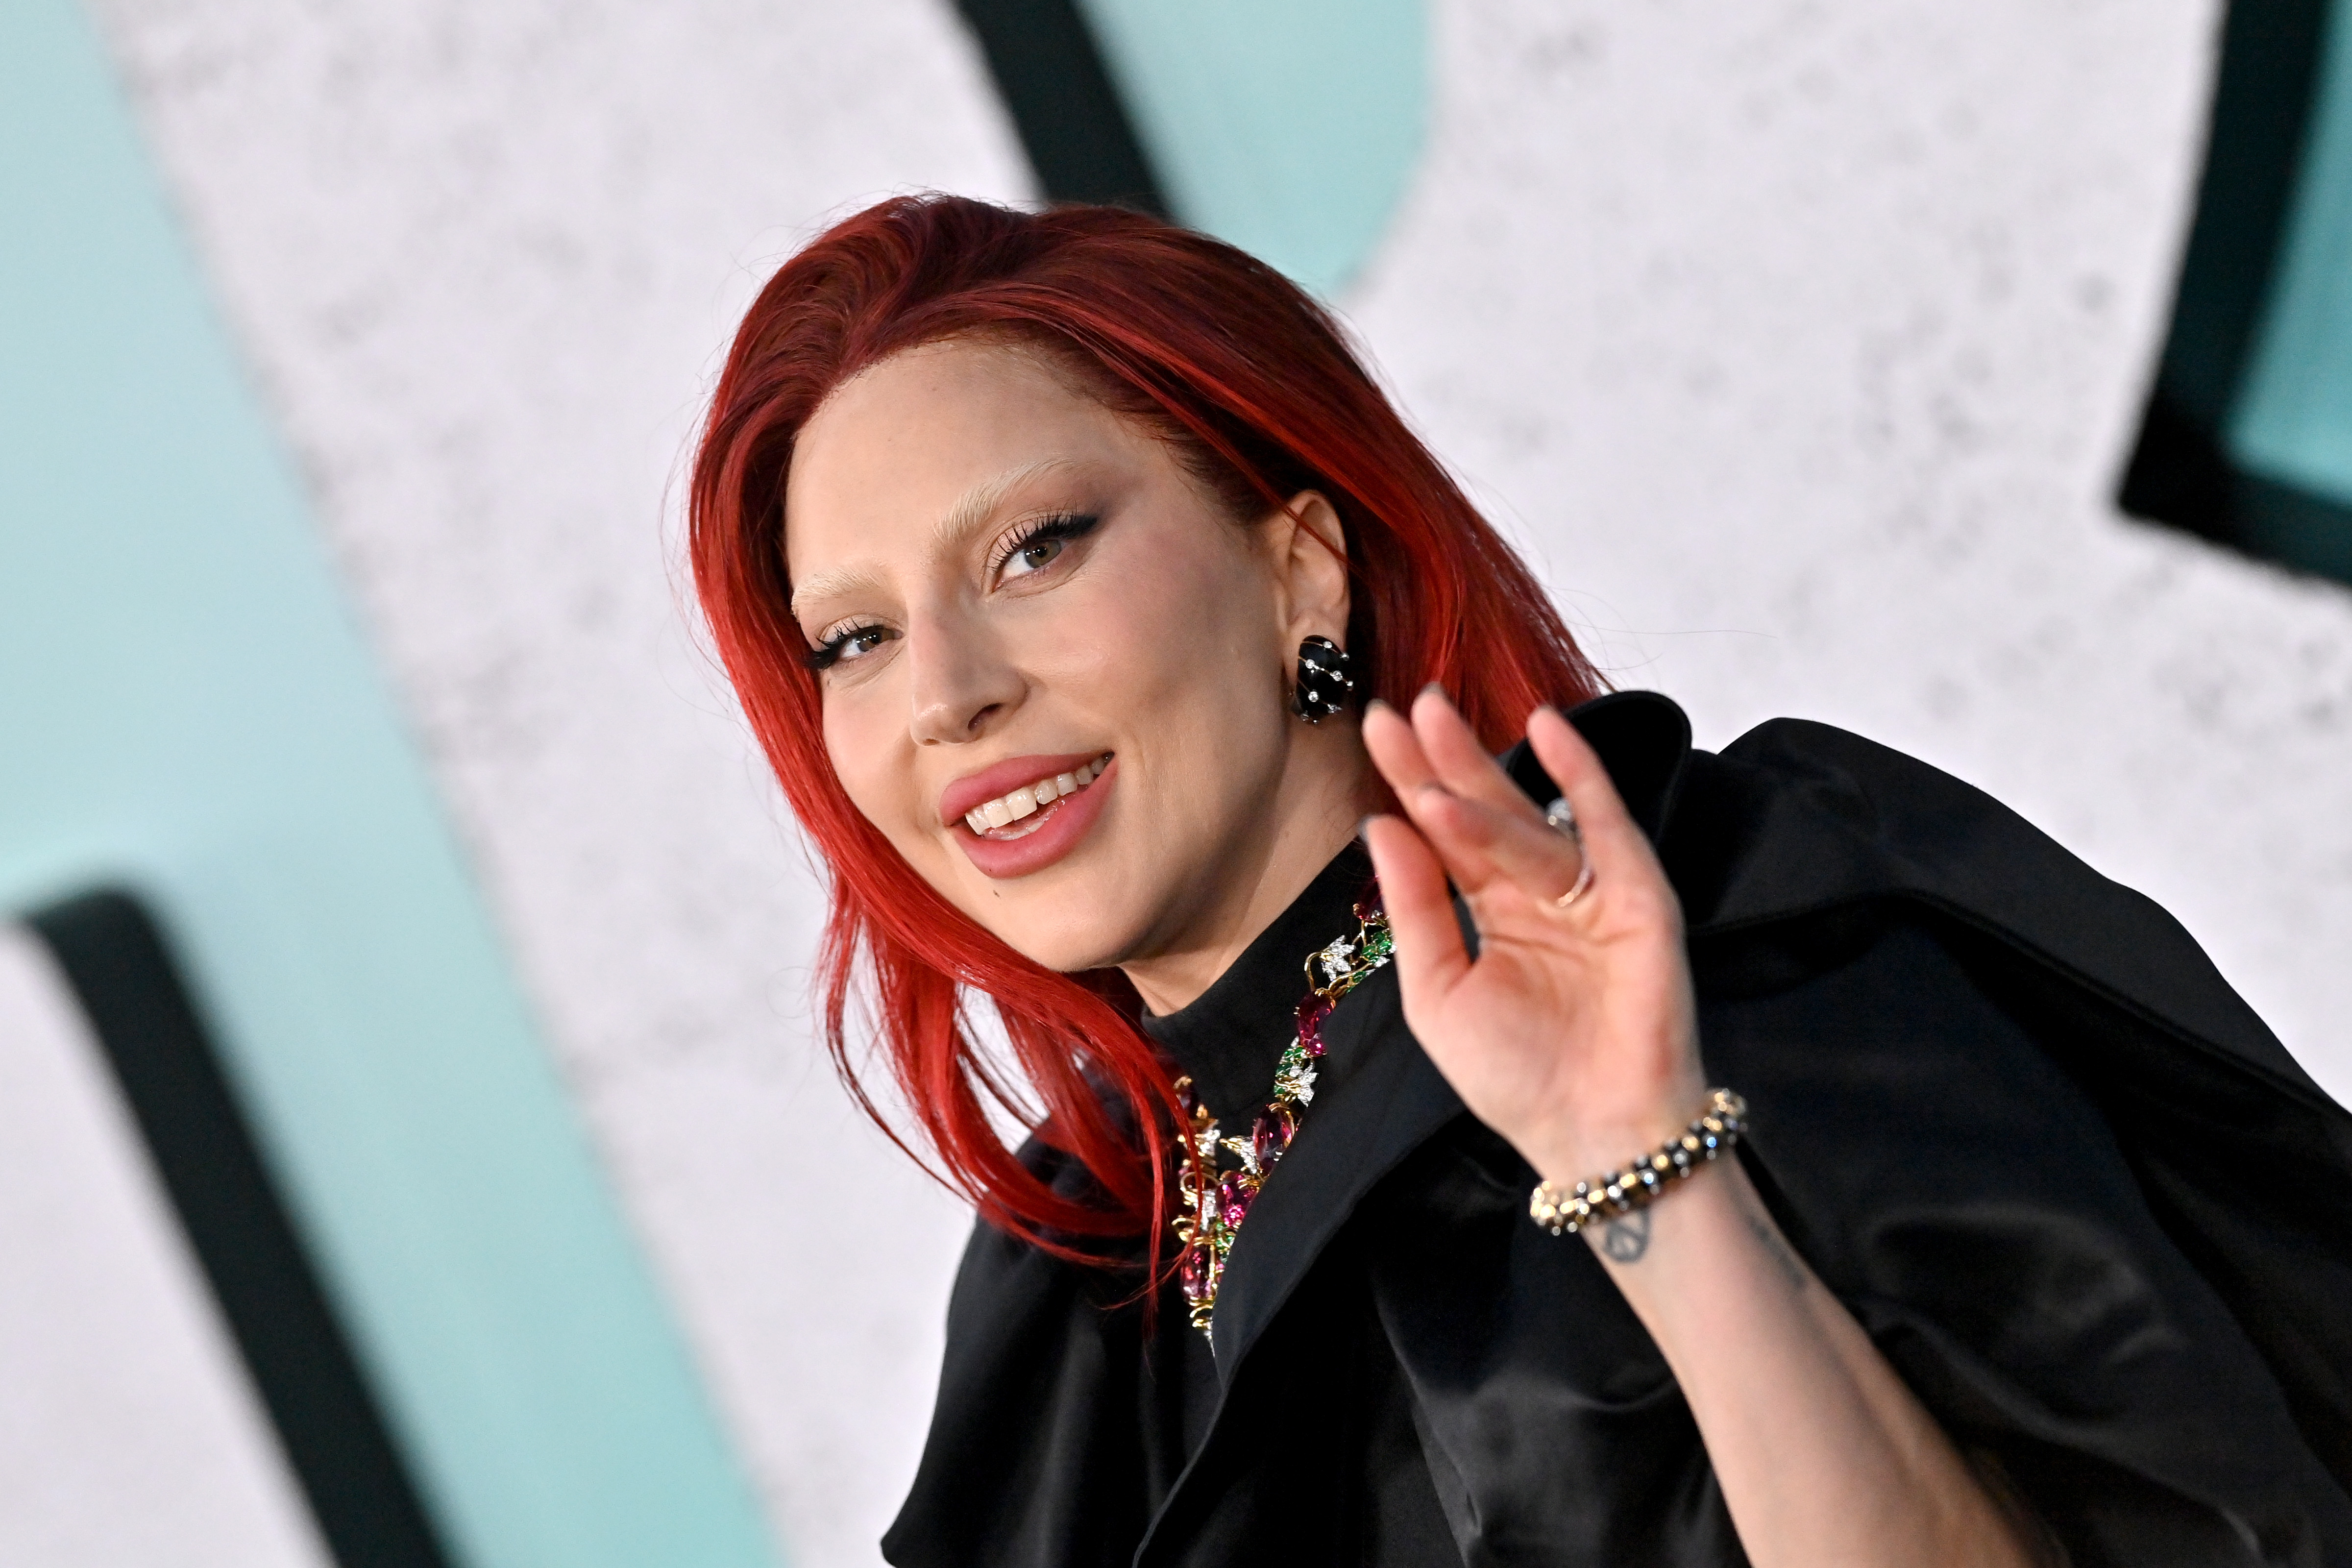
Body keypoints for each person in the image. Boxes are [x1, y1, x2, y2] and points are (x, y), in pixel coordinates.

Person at [689, 195, 2352, 1567]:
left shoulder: (1749, 916)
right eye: (856, 636)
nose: (946, 694)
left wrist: (1651, 1174)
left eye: (1035, 549)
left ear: (1301, 572)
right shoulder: (1063, 1284)